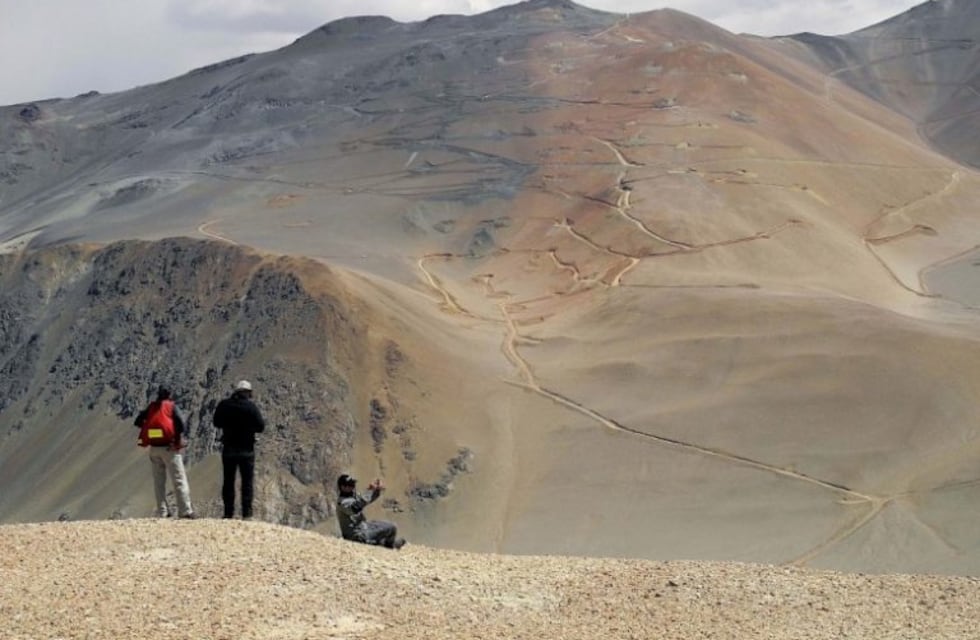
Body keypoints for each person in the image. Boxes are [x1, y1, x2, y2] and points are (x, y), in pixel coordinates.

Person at [134, 386, 196, 519]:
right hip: (170, 449)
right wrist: (175, 435)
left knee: (159, 482)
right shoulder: (171, 406)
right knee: (179, 479)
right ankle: (185, 511)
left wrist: (149, 428)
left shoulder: (151, 407)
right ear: (169, 395)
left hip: (154, 449)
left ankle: (162, 512)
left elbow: (138, 421)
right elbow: (182, 424)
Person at [212, 380, 266, 520]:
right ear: (247, 393)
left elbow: (216, 422)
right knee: (247, 482)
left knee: (228, 481)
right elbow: (260, 426)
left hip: (229, 449)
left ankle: (228, 513)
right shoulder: (251, 407)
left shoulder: (225, 405)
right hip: (246, 450)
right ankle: (246, 514)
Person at [336, 474, 405, 549]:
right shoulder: (342, 502)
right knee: (388, 530)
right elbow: (356, 507)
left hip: (363, 527)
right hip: (356, 535)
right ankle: (388, 545)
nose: (353, 487)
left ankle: (387, 543)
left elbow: (367, 500)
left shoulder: (352, 496)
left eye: (353, 485)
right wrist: (369, 491)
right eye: (350, 485)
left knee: (392, 527)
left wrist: (377, 490)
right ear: (343, 487)